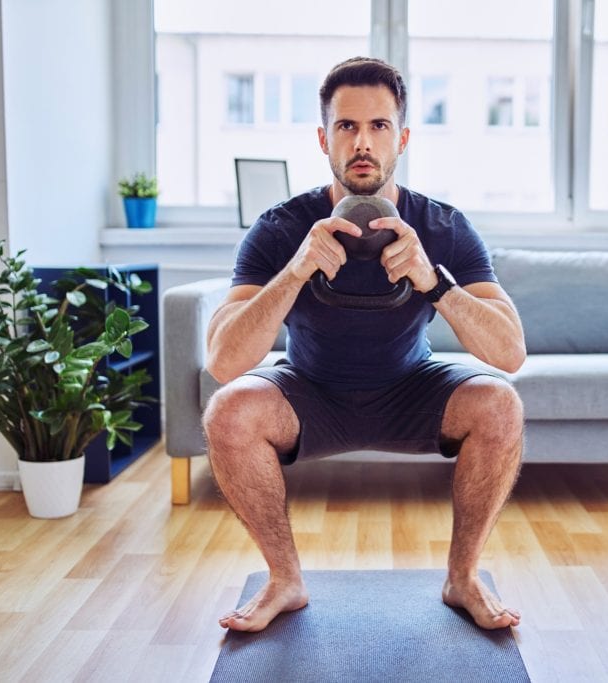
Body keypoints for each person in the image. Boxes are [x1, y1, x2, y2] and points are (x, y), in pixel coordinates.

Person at [203, 56, 526, 633]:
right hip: (308, 391)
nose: (362, 142)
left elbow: (509, 353)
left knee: (501, 403)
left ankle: (463, 577)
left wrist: (436, 281)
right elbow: (224, 360)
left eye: (379, 126)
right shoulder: (280, 228)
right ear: (323, 138)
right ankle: (284, 579)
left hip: (413, 388)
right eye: (347, 126)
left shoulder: (444, 227)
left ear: (401, 138)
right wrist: (296, 270)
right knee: (228, 411)